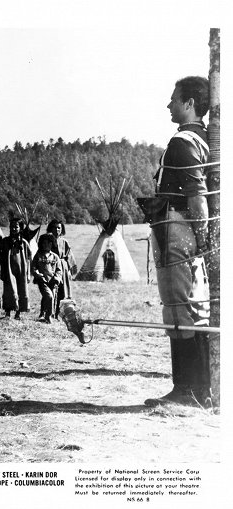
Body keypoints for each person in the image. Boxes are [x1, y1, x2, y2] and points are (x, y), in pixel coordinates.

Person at [143, 76, 212, 407]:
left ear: (190, 104)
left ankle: (187, 389)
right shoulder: (201, 139)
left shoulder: (183, 142)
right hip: (183, 230)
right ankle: (196, 387)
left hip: (177, 229)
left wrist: (201, 239)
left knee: (178, 307)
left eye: (174, 99)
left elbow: (198, 198)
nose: (169, 105)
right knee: (191, 307)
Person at [0, 215, 32, 320]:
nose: (14, 229)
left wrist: (28, 274)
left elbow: (28, 259)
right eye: (12, 227)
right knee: (9, 290)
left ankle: (18, 313)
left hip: (21, 269)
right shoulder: (5, 242)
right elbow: (0, 257)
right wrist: (2, 270)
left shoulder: (24, 243)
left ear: (20, 228)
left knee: (21, 290)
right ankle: (8, 312)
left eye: (16, 227)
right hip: (9, 269)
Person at [47, 219, 75, 318]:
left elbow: (69, 256)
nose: (56, 230)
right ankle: (49, 312)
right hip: (52, 266)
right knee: (52, 290)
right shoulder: (47, 240)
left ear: (62, 229)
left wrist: (70, 271)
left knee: (62, 291)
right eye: (54, 227)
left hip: (63, 267)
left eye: (59, 227)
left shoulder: (64, 242)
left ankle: (58, 313)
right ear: (50, 228)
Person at [31, 233, 62, 324]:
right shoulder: (38, 256)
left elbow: (59, 270)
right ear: (41, 244)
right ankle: (48, 316)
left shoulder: (55, 257)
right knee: (49, 296)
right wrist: (38, 275)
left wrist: (57, 278)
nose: (46, 245)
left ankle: (46, 314)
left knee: (52, 298)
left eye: (49, 243)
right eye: (44, 243)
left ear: (52, 244)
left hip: (52, 282)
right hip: (42, 281)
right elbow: (33, 268)